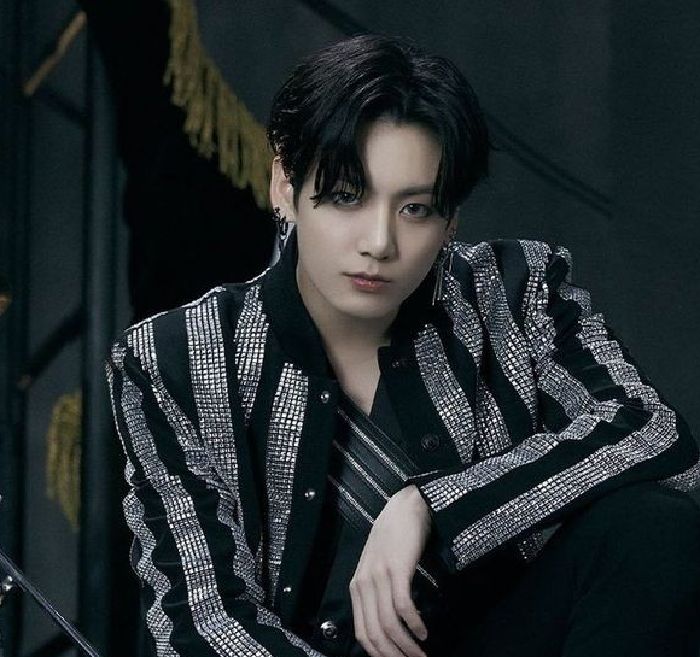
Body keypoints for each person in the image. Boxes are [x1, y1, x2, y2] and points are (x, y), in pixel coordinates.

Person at [105, 33, 700, 657]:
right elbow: (203, 619)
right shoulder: (174, 358)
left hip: (512, 636)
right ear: (284, 183)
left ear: (451, 217)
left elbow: (653, 432)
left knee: (651, 527)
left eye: (415, 209)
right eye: (346, 196)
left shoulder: (513, 291)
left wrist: (433, 510)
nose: (379, 243)